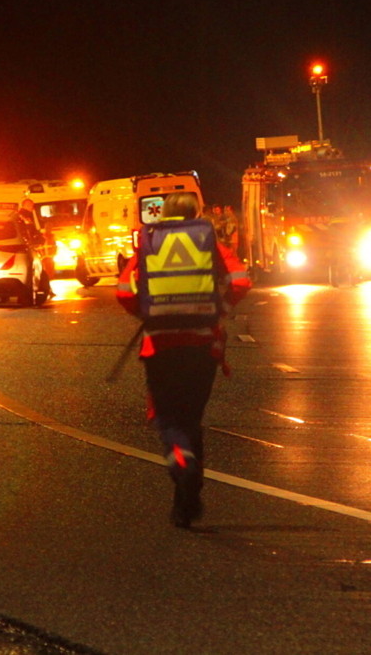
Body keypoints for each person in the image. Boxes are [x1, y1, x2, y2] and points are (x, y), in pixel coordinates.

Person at [116, 192, 251, 528]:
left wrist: (147, 314)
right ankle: (187, 500)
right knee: (191, 417)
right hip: (203, 346)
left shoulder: (148, 243)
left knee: (169, 420)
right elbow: (241, 280)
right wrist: (222, 310)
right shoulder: (209, 242)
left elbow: (123, 291)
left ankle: (181, 464)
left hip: (161, 346)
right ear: (196, 213)